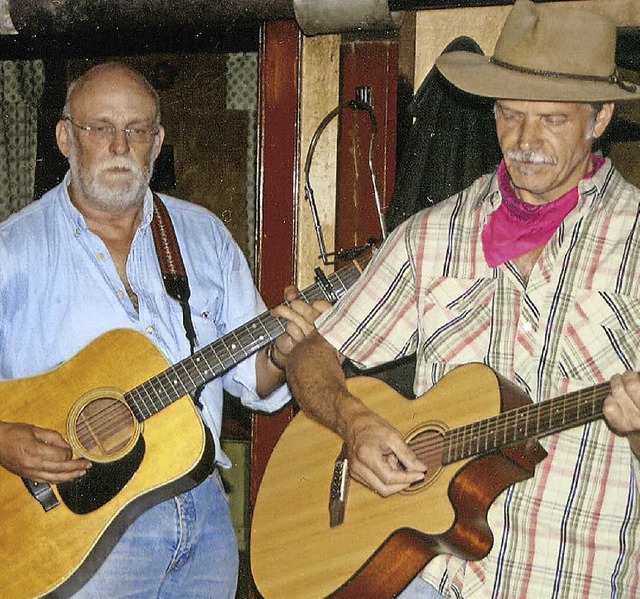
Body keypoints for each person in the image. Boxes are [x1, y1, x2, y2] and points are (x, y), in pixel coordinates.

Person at [287, 1, 640, 597]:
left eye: (552, 119)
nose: (525, 141)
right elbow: (309, 354)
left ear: (600, 117)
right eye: (508, 115)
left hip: (577, 576)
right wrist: (355, 423)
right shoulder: (435, 233)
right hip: (430, 574)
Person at [0, 61, 328, 598]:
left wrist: (286, 350)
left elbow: (257, 378)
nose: (119, 145)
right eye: (99, 127)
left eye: (136, 130)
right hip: (76, 522)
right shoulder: (12, 252)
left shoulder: (203, 237)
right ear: (64, 137)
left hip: (203, 514)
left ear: (157, 142)